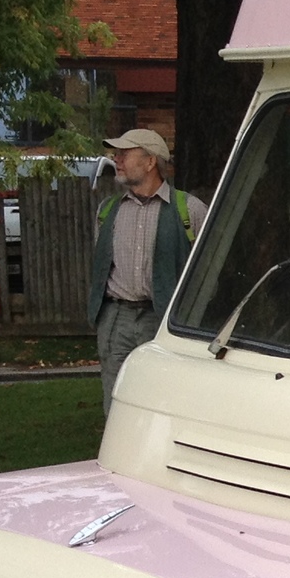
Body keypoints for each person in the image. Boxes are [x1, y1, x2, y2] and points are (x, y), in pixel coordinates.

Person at [89, 127, 207, 414]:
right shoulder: (108, 211)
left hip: (163, 319)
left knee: (166, 397)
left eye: (125, 154)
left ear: (150, 161)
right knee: (117, 400)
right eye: (116, 153)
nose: (116, 159)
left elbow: (207, 274)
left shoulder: (189, 210)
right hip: (116, 318)